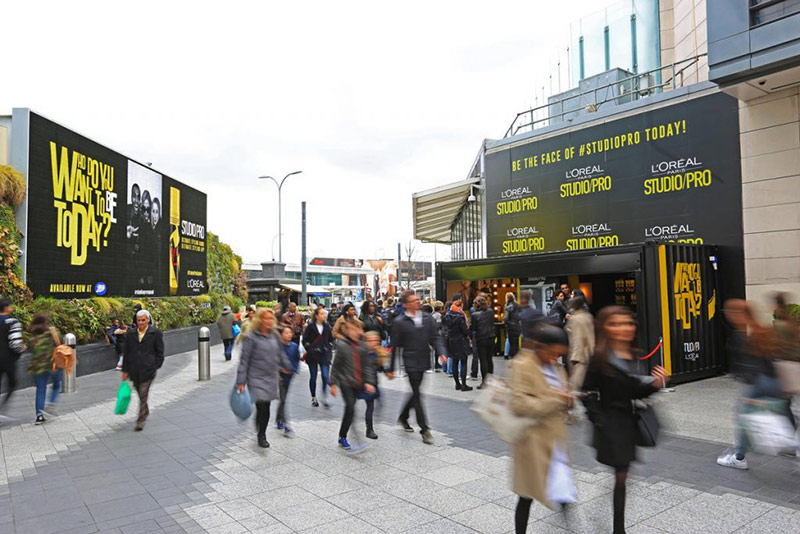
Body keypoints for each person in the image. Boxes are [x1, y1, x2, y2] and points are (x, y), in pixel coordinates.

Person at [582, 306, 668, 534]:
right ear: (605, 328)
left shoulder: (632, 353)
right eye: (615, 324)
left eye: (627, 323)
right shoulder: (599, 356)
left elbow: (633, 392)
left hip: (627, 423)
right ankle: (618, 529)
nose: (624, 328)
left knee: (623, 475)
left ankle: (615, 524)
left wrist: (655, 386)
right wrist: (598, 420)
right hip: (611, 425)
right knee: (621, 474)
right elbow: (586, 393)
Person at [511, 324, 576, 533]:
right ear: (539, 347)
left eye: (559, 354)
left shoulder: (555, 366)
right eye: (552, 352)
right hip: (532, 440)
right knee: (526, 494)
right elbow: (520, 405)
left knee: (562, 486)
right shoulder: (521, 365)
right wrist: (558, 399)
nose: (555, 358)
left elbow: (561, 396)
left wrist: (568, 401)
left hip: (555, 438)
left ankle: (568, 519)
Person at [716, 299, 794, 469]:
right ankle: (740, 456)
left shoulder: (742, 335)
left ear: (738, 314)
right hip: (772, 382)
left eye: (730, 312)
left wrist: (753, 394)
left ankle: (738, 458)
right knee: (781, 415)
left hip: (758, 383)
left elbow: (751, 365)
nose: (727, 315)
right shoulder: (760, 329)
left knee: (744, 419)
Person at [390, 290, 447, 444]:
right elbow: (394, 345)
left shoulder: (427, 319)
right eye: (414, 300)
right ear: (407, 304)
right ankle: (425, 429)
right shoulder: (400, 322)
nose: (418, 302)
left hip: (423, 361)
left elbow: (435, 338)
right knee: (417, 393)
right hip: (410, 362)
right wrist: (389, 368)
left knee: (415, 393)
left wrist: (442, 353)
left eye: (418, 299)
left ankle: (403, 416)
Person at [236, 308, 291, 448]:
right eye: (265, 318)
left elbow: (280, 353)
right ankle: (262, 435)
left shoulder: (275, 336)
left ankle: (261, 427)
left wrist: (286, 365)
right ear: (259, 320)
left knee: (265, 406)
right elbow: (244, 360)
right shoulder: (251, 338)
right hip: (255, 377)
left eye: (270, 318)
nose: (268, 321)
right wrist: (240, 381)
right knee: (262, 404)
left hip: (271, 376)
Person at [330, 321, 377, 451]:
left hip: (358, 382)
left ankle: (345, 435)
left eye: (356, 329)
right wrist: (332, 383)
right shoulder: (343, 346)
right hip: (346, 382)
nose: (354, 332)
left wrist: (368, 382)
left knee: (351, 411)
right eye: (351, 329)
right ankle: (343, 437)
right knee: (350, 407)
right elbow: (336, 366)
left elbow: (367, 366)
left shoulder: (363, 346)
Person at [122, 309, 165, 431]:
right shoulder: (130, 334)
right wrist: (125, 370)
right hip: (134, 370)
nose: (141, 323)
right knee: (140, 392)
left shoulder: (155, 333)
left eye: (143, 320)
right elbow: (127, 353)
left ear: (147, 320)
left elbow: (160, 352)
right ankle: (145, 410)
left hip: (148, 369)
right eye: (139, 320)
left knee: (143, 393)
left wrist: (156, 365)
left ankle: (140, 420)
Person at [26, 313, 63, 425]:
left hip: (37, 366)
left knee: (40, 390)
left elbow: (31, 350)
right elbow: (60, 344)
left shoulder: (31, 336)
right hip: (53, 365)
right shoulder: (52, 332)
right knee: (57, 385)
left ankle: (39, 416)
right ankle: (50, 403)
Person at [303, 306, 333, 408]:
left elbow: (330, 339)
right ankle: (313, 397)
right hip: (313, 355)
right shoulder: (310, 326)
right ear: (316, 316)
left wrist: (329, 347)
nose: (324, 315)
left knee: (325, 376)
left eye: (324, 313)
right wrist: (310, 349)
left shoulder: (327, 326)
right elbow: (305, 340)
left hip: (324, 354)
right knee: (313, 376)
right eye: (321, 313)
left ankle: (324, 396)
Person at [362, 331, 389, 439]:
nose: (374, 342)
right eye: (371, 340)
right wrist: (366, 383)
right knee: (351, 407)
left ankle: (369, 429)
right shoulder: (362, 353)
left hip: (372, 383)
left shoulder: (377, 353)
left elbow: (379, 367)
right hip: (363, 383)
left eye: (376, 340)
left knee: (370, 406)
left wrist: (387, 372)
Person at [565, 296, 594, 392]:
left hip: (579, 354)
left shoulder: (577, 319)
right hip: (587, 352)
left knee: (575, 385)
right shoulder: (587, 316)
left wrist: (575, 356)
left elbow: (578, 338)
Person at [0, 297, 24, 413]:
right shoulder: (13, 322)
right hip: (8, 360)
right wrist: (21, 349)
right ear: (6, 308)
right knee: (12, 383)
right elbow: (15, 344)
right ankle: (2, 408)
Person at [277, 325, 300, 437]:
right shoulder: (277, 347)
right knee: (283, 398)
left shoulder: (294, 346)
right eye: (286, 333)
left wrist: (294, 369)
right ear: (281, 335)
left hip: (289, 376)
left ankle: (278, 418)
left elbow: (297, 359)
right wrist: (280, 369)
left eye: (290, 333)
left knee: (283, 398)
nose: (289, 335)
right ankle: (286, 425)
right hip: (279, 376)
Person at [445, 299, 472, 391]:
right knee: (463, 361)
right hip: (461, 341)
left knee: (455, 362)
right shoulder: (460, 317)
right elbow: (464, 331)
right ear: (460, 306)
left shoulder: (447, 315)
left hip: (451, 341)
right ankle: (464, 384)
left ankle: (457, 384)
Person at [470, 296, 496, 389]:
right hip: (491, 337)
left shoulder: (475, 315)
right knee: (489, 359)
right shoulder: (491, 311)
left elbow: (473, 328)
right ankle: (491, 380)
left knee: (483, 360)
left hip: (481, 339)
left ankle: (484, 381)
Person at [504, 292, 522, 359]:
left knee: (511, 343)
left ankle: (513, 357)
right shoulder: (518, 306)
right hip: (517, 326)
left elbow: (506, 318)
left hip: (511, 327)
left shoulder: (508, 307)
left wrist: (507, 324)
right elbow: (520, 317)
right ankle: (517, 356)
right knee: (516, 343)